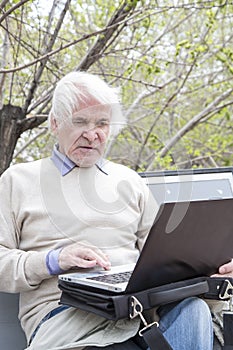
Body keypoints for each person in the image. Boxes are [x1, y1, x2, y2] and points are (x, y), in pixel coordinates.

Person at [0, 71, 232, 350]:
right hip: (67, 321)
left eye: (102, 123)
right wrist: (54, 260)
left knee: (194, 310)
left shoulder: (130, 181)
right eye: (80, 122)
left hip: (141, 315)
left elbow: (167, 264)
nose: (92, 134)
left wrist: (211, 277)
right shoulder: (18, 180)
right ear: (54, 123)